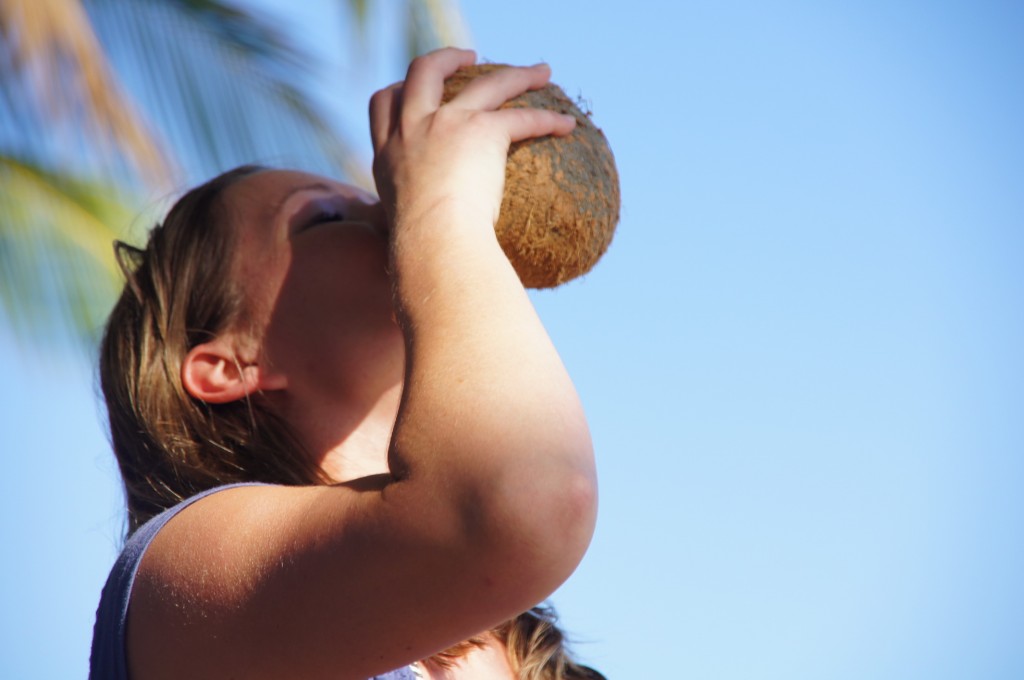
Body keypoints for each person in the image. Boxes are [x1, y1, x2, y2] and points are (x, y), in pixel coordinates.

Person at [90, 48, 604, 680]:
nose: (390, 211)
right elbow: (529, 500)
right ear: (228, 364)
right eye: (325, 216)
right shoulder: (175, 583)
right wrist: (441, 209)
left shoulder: (517, 636)